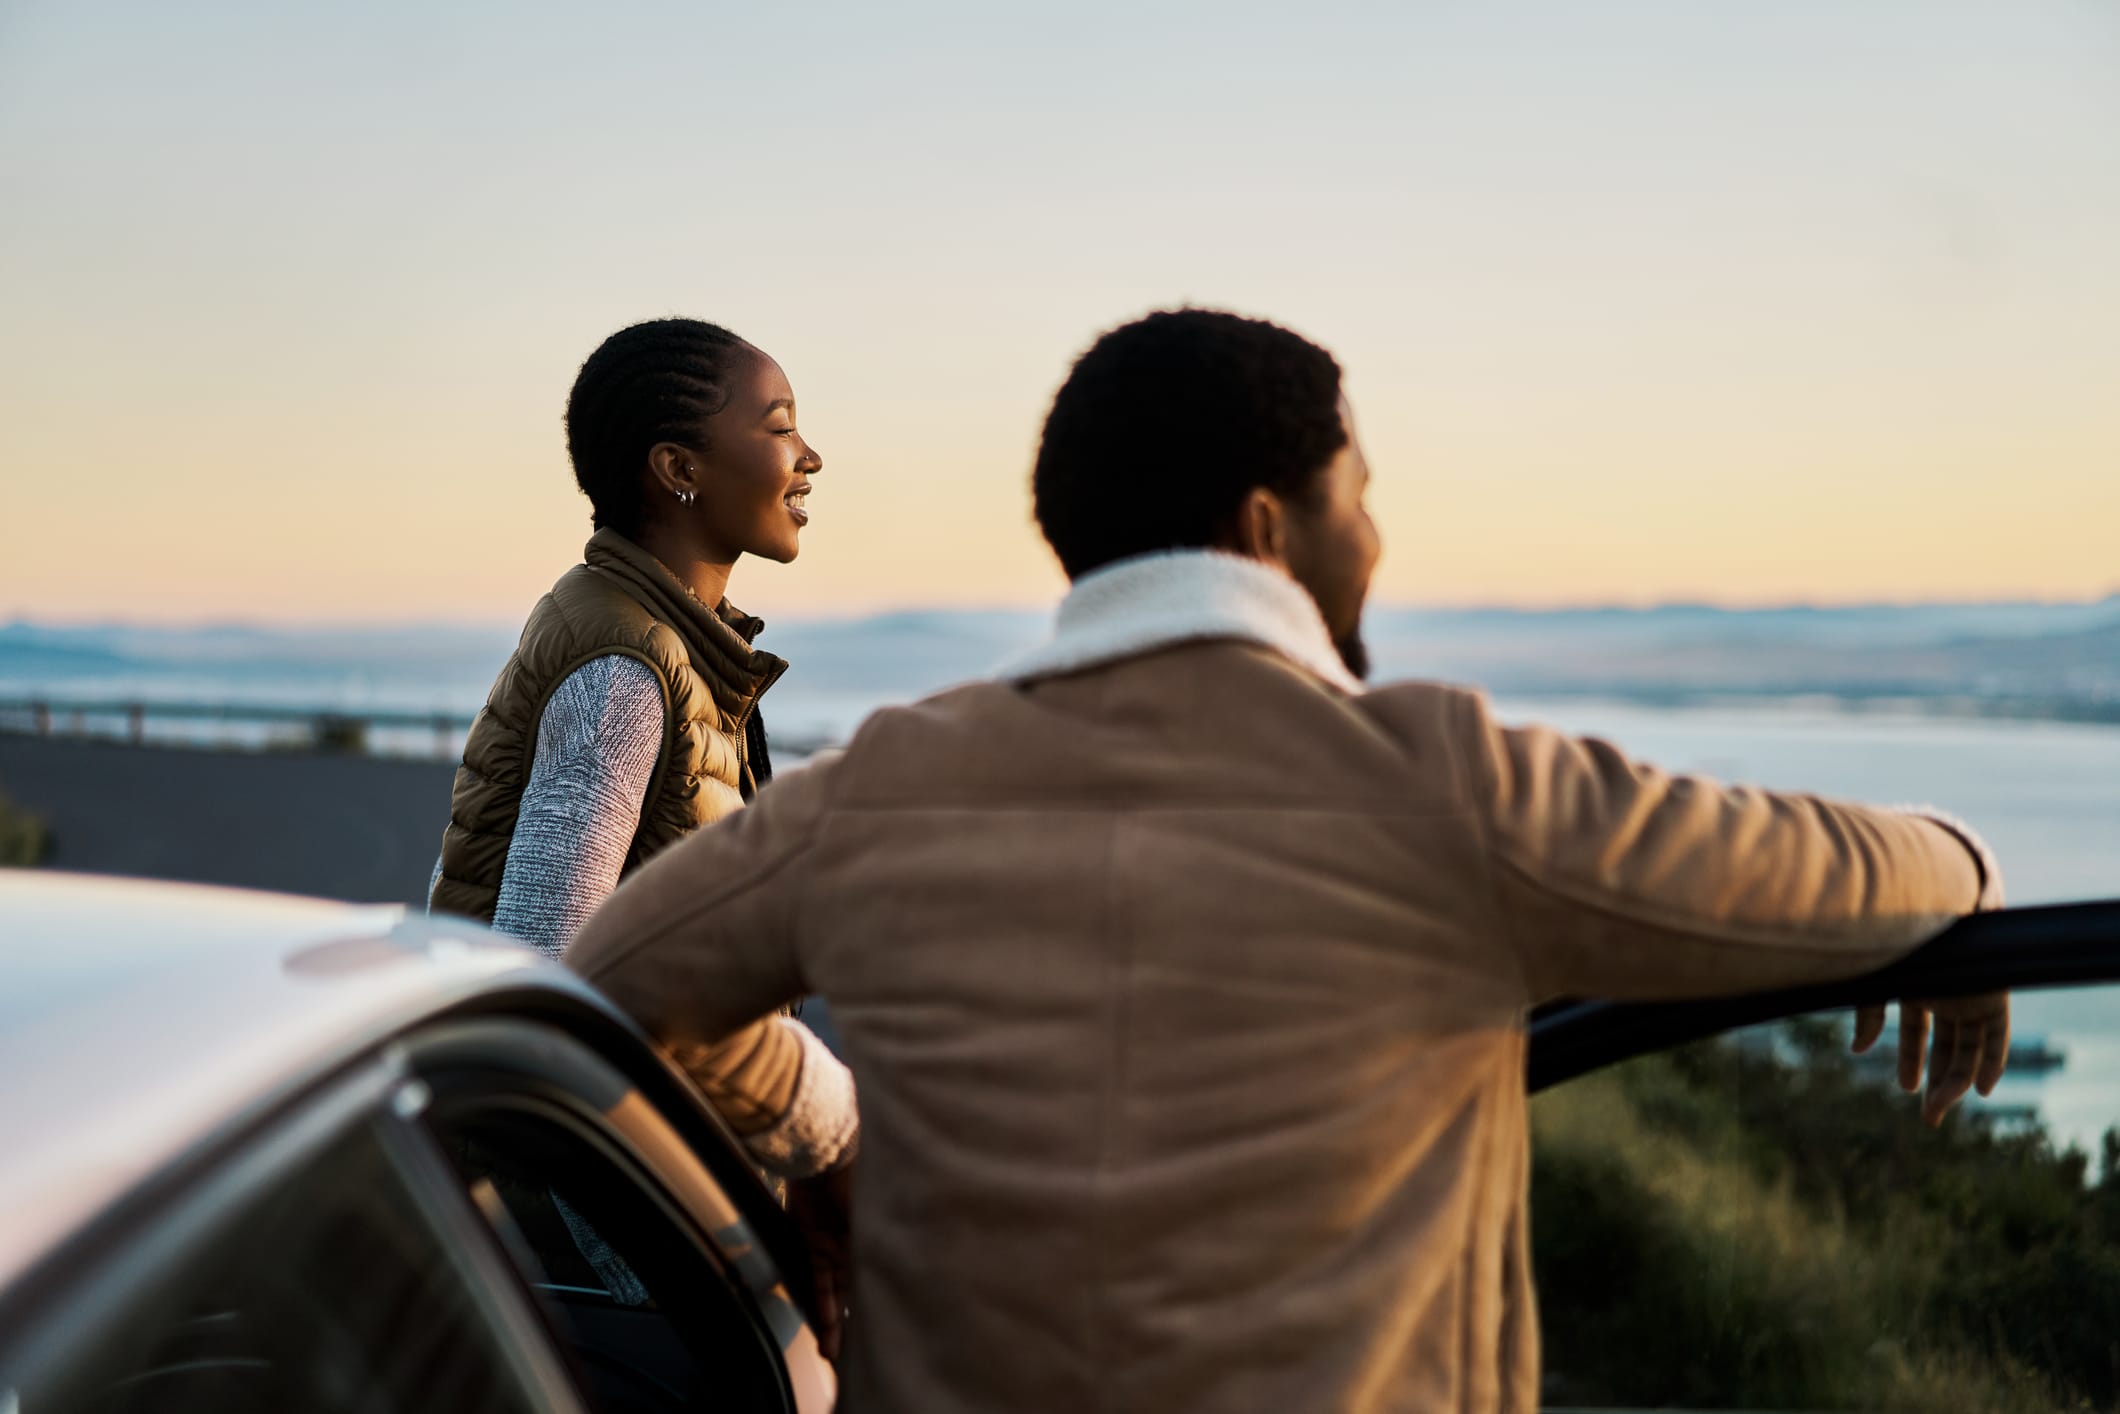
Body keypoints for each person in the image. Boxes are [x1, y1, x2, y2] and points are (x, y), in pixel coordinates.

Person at [567, 308, 2009, 1412]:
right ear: (1268, 525)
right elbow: (1813, 874)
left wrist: (830, 1130)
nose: (1373, 537)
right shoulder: (1435, 786)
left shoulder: (891, 783)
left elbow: (609, 980)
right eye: (1359, 495)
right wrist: (1965, 873)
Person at [432, 317, 855, 1183]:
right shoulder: (625, 667)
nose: (810, 457)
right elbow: (551, 973)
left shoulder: (663, 638)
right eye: (780, 427)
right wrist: (643, 1278)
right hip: (608, 1226)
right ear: (679, 469)